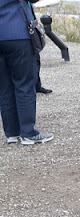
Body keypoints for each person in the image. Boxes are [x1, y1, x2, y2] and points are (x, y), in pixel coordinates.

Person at [0, 0, 53, 145]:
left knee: (4, 87)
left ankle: (12, 133)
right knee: (24, 84)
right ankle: (28, 132)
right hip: (18, 33)